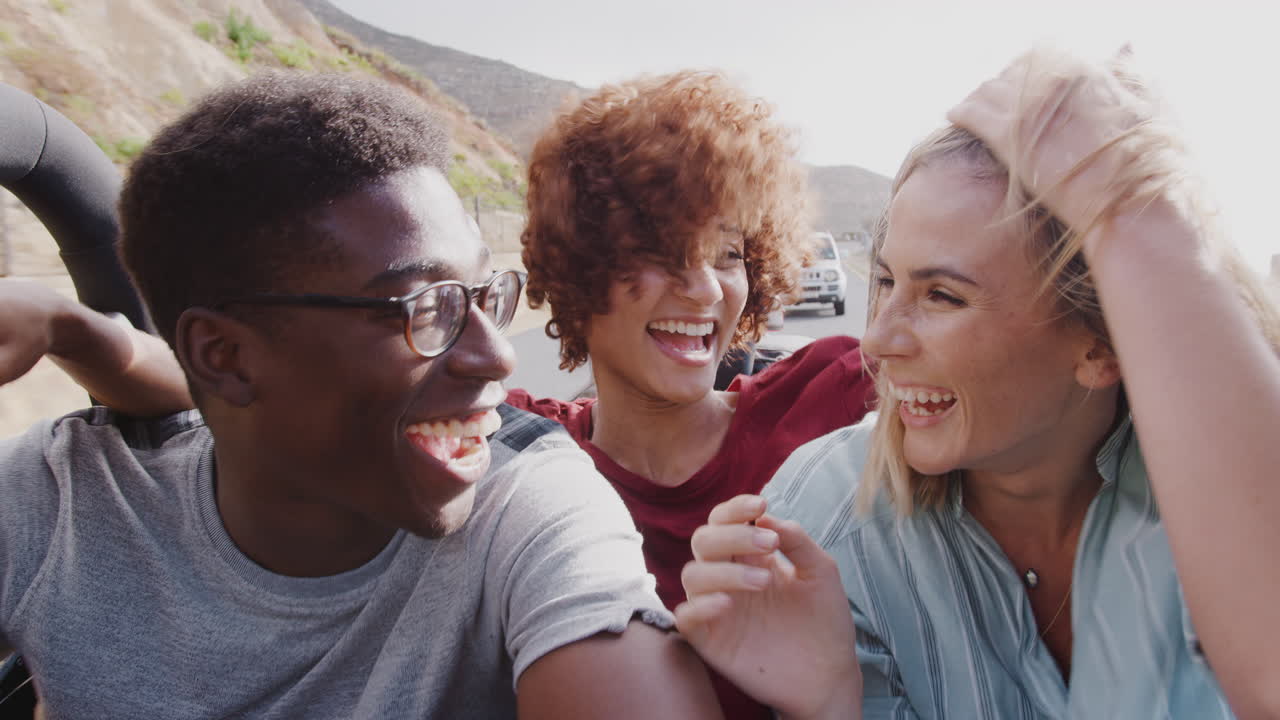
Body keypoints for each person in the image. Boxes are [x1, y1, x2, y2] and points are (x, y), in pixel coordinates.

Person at [4, 69, 879, 719]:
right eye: (424, 308)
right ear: (578, 266)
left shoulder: (531, 483)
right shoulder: (502, 438)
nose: (496, 357)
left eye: (729, 252)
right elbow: (225, 410)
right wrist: (94, 341)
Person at [676, 48, 1280, 719]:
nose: (878, 340)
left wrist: (1138, 216)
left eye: (942, 295)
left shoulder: (1227, 495)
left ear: (1102, 343)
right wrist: (831, 704)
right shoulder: (823, 522)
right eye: (886, 281)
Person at [508, 71, 877, 717]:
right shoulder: (520, 459)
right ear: (576, 263)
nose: (706, 289)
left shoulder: (833, 404)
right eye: (661, 249)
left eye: (728, 253)